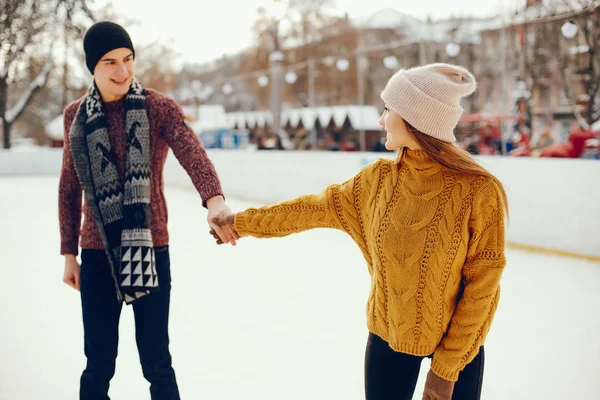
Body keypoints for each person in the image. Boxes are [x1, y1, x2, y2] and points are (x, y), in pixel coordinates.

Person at [211, 63, 508, 400]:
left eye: (387, 109)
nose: (381, 119)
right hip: (387, 336)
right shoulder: (376, 181)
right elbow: (308, 209)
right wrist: (242, 222)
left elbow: (483, 287)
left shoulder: (478, 191)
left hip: (459, 349)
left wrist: (445, 371)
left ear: (416, 118)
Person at [58, 21, 238, 400]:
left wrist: (214, 199)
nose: (122, 71)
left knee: (156, 361)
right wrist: (68, 253)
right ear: (93, 66)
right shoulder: (75, 115)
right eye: (110, 62)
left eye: (128, 59)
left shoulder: (158, 108)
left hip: (151, 248)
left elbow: (192, 152)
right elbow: (69, 187)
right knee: (98, 363)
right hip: (96, 251)